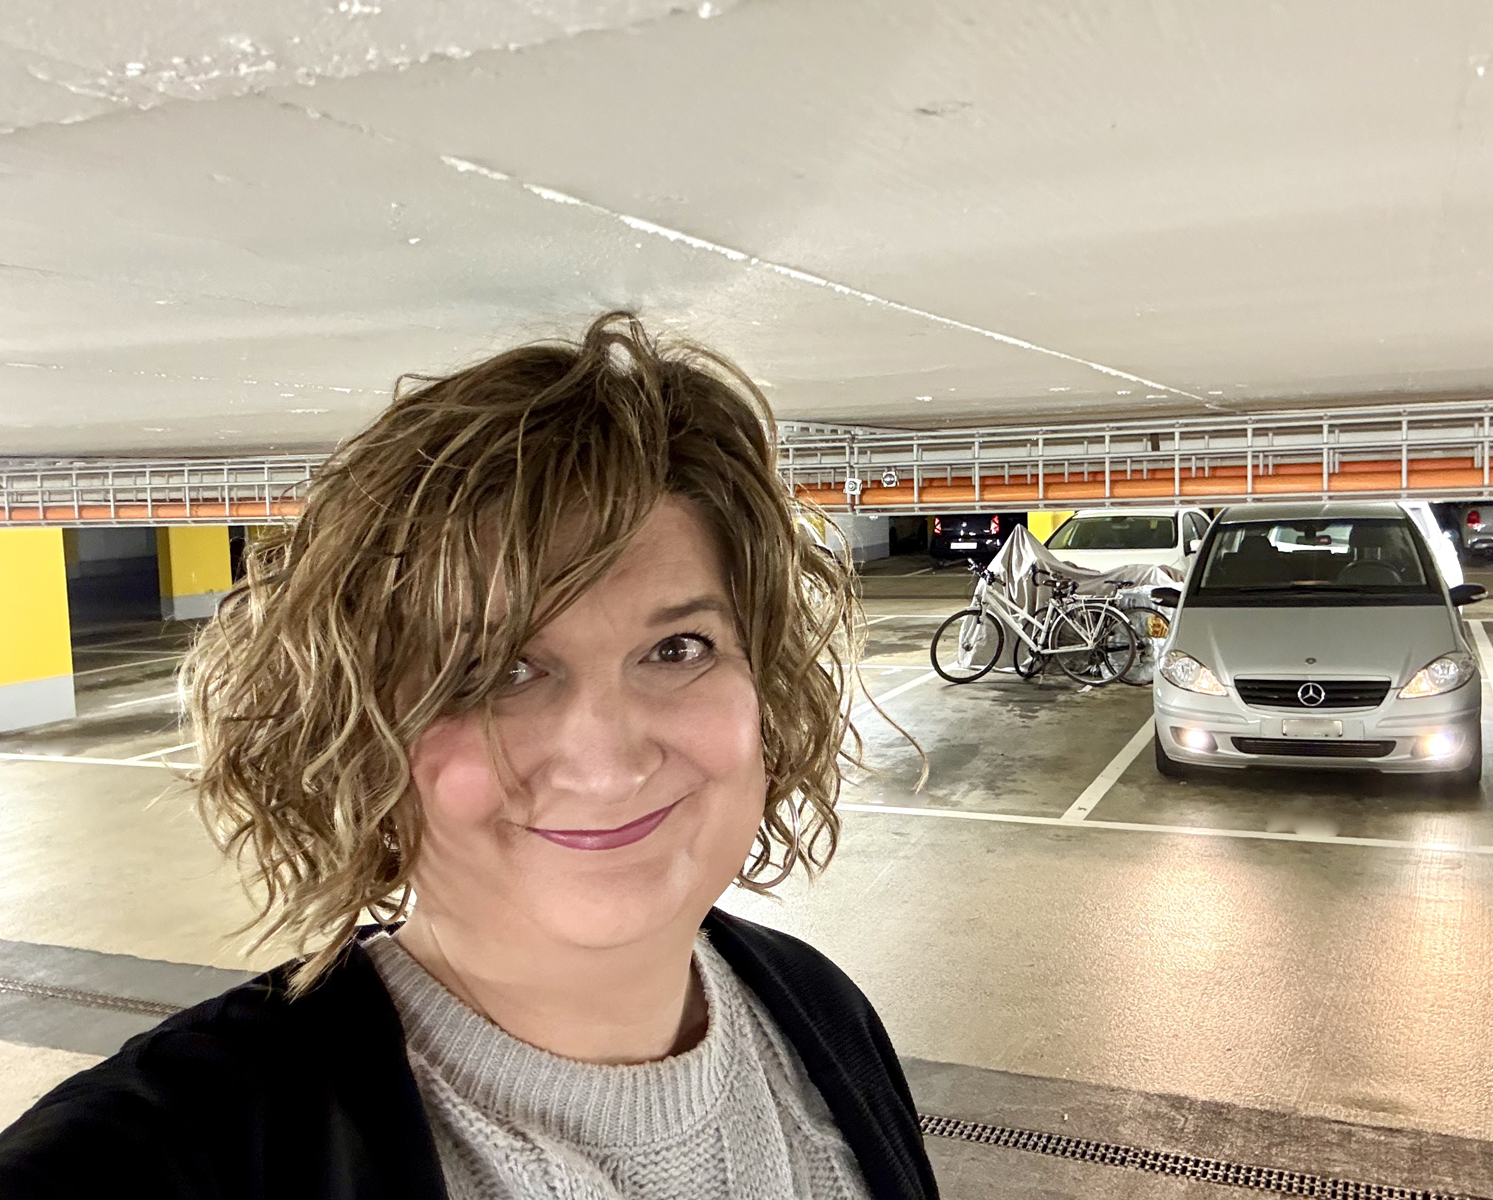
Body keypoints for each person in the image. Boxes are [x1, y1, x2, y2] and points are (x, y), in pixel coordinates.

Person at [0, 313, 938, 1200]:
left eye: (677, 648)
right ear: (362, 726)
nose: (606, 763)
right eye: (496, 672)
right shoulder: (162, 1154)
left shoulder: (819, 1014)